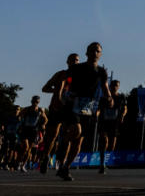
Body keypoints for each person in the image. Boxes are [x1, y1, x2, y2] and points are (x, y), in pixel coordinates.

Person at [51, 42, 111, 181]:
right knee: (76, 131)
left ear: (100, 54)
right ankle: (63, 143)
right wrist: (60, 95)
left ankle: (65, 167)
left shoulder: (101, 72)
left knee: (78, 142)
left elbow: (105, 87)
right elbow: (64, 80)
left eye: (97, 51)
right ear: (87, 53)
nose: (95, 53)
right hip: (73, 104)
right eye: (92, 50)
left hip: (89, 107)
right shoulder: (77, 68)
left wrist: (109, 97)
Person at [38, 52, 77, 173]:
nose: (75, 62)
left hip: (70, 109)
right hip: (56, 108)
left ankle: (62, 164)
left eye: (76, 60)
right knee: (52, 136)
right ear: (67, 62)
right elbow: (45, 88)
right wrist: (57, 92)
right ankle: (45, 157)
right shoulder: (60, 74)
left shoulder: (79, 77)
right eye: (72, 60)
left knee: (68, 135)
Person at [95, 80, 125, 174]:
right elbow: (98, 109)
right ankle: (102, 164)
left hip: (114, 123)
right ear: (109, 86)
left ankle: (104, 162)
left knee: (111, 146)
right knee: (104, 141)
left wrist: (122, 116)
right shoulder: (104, 98)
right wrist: (96, 114)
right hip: (104, 122)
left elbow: (125, 108)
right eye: (112, 85)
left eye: (116, 85)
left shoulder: (121, 97)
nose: (114, 87)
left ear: (118, 87)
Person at [16, 97, 45, 173]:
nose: (35, 103)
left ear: (38, 102)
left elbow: (46, 119)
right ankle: (19, 162)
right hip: (25, 130)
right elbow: (19, 115)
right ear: (31, 101)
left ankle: (23, 165)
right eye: (33, 101)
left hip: (34, 131)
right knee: (25, 147)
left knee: (29, 150)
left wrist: (43, 125)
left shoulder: (40, 110)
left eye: (36, 102)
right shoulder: (27, 109)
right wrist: (21, 121)